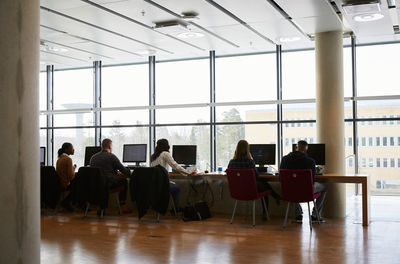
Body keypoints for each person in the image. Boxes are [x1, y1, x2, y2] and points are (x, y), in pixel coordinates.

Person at [227, 140, 281, 220]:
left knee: (263, 183)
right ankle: (266, 211)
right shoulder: (250, 162)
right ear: (247, 149)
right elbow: (256, 176)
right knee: (264, 184)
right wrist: (252, 159)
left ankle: (276, 196)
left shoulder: (231, 162)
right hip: (250, 190)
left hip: (237, 191)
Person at [280, 140, 328, 223]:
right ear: (306, 150)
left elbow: (281, 178)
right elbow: (312, 181)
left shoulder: (284, 159)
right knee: (324, 187)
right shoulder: (310, 161)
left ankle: (298, 215)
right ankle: (315, 216)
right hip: (306, 191)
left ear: (296, 147)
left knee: (293, 186)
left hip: (289, 191)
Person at [150, 139, 196, 214]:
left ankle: (171, 208)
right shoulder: (165, 154)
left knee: (173, 184)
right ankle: (176, 209)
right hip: (162, 185)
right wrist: (188, 172)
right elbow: (175, 166)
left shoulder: (153, 156)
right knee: (177, 188)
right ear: (167, 146)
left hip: (154, 186)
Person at [90, 138, 131, 214]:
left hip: (96, 185)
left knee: (107, 182)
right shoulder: (111, 156)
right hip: (108, 185)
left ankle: (100, 206)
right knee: (124, 181)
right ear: (110, 147)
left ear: (102, 146)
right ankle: (123, 206)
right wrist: (130, 171)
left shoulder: (93, 157)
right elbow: (124, 171)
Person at [56, 142, 76, 211]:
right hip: (65, 184)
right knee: (80, 186)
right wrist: (73, 169)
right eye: (72, 148)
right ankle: (66, 202)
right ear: (66, 149)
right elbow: (71, 177)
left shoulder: (60, 158)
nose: (74, 150)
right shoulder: (68, 159)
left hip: (59, 183)